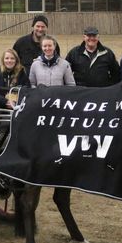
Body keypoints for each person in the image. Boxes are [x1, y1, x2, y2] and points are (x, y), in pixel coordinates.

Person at [27, 35, 76, 221]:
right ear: (42, 47)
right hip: (42, 107)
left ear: (55, 47)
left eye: (50, 46)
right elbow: (31, 83)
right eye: (45, 46)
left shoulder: (64, 65)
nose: (48, 48)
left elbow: (71, 85)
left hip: (59, 108)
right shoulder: (35, 65)